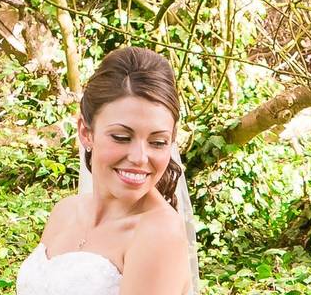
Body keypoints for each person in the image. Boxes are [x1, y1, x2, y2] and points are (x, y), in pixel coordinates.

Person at [17, 47, 194, 295]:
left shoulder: (158, 234)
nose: (139, 158)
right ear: (86, 132)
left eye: (157, 142)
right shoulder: (64, 212)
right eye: (122, 137)